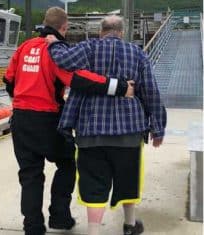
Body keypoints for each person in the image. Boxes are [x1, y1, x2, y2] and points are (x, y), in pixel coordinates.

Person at [3, 8, 135, 235]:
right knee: (66, 163)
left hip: (21, 120)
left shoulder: (24, 47)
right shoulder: (57, 51)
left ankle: (33, 227)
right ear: (64, 28)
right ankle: (60, 216)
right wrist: (119, 86)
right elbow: (78, 79)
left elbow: (8, 81)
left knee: (30, 174)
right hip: (48, 120)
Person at [46, 15, 167, 235]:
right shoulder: (137, 53)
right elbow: (150, 92)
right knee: (128, 179)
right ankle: (130, 225)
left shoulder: (88, 47)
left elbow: (62, 60)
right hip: (129, 131)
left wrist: (54, 43)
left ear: (101, 31)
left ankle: (94, 231)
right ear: (122, 32)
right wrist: (158, 128)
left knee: (93, 184)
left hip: (90, 130)